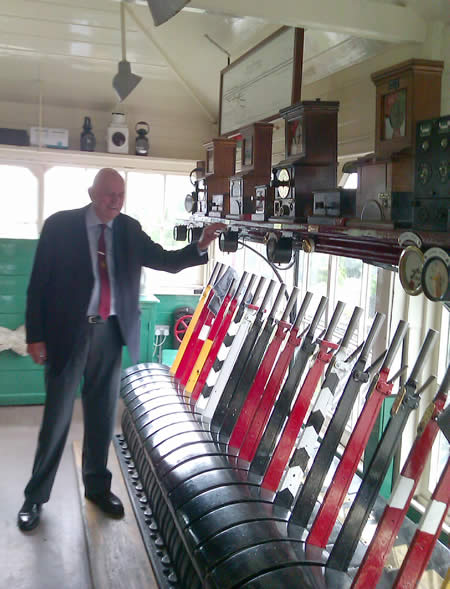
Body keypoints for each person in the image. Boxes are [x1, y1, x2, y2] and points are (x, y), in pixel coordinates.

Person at [18, 167, 225, 531]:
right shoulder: (59, 226)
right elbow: (38, 285)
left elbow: (166, 260)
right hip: (68, 332)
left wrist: (201, 245)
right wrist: (36, 336)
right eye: (109, 194)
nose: (115, 200)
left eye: (120, 194)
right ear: (91, 192)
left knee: (101, 417)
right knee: (57, 419)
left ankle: (97, 488)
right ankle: (35, 497)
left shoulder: (129, 229)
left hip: (110, 333)